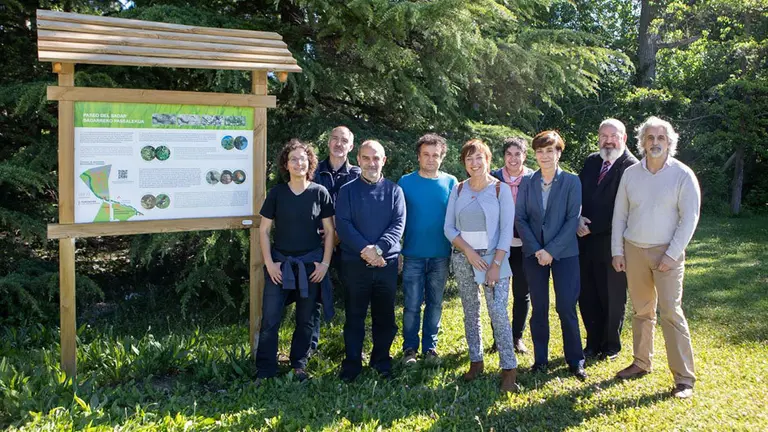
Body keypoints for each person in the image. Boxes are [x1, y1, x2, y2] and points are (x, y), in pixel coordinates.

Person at [612, 116, 700, 399]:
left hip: (667, 253)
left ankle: (684, 379)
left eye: (661, 138)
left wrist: (672, 254)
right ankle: (641, 362)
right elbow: (620, 215)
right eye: (650, 138)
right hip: (634, 249)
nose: (655, 143)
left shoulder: (683, 175)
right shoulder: (631, 174)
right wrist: (617, 250)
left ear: (670, 142)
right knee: (641, 311)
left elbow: (690, 219)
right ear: (641, 143)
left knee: (671, 313)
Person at [256, 139, 335, 382]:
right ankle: (265, 370)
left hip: (311, 266)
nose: (298, 163)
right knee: (270, 318)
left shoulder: (320, 193)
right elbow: (263, 231)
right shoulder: (277, 193)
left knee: (305, 319)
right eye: (293, 159)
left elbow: (330, 232)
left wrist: (324, 264)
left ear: (310, 162)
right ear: (286, 164)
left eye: (303, 158)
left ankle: (299, 365)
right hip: (280, 265)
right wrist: (269, 263)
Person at [444, 139, 519, 393]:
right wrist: (467, 252)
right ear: (464, 163)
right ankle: (476, 361)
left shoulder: (500, 190)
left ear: (488, 160)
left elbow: (507, 231)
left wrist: (495, 263)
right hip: (464, 258)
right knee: (470, 311)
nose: (474, 163)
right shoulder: (458, 189)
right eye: (469, 159)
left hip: (493, 260)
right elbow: (449, 227)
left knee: (497, 311)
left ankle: (509, 368)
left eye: (479, 158)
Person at [516, 130, 586, 380]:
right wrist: (537, 250)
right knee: (539, 307)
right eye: (540, 151)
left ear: (559, 152)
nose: (544, 156)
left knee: (566, 305)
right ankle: (541, 359)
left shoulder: (572, 182)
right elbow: (521, 218)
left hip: (565, 254)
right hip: (534, 255)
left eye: (550, 150)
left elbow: (571, 220)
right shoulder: (527, 182)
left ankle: (575, 359)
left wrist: (551, 251)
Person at [335, 140, 405, 382]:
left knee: (385, 316)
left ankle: (381, 362)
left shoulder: (395, 191)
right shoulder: (347, 191)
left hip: (386, 264)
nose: (371, 163)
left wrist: (378, 249)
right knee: (354, 316)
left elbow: (398, 225)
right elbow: (343, 225)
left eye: (376, 158)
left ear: (384, 160)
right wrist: (366, 250)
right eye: (366, 158)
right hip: (355, 264)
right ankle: (351, 365)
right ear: (359, 160)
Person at [577, 119, 639, 361]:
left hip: (614, 243)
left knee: (612, 295)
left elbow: (626, 210)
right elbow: (579, 195)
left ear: (624, 138)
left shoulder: (632, 167)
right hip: (584, 241)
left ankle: (611, 344)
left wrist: (593, 227)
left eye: (614, 135)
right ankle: (592, 342)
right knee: (587, 293)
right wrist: (577, 218)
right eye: (604, 136)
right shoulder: (592, 161)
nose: (608, 140)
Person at [398, 134, 457, 365]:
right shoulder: (405, 182)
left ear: (442, 157)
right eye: (426, 155)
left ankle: (430, 348)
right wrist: (399, 251)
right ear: (418, 156)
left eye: (435, 155)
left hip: (440, 255)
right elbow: (398, 219)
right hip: (412, 254)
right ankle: (409, 349)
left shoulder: (451, 182)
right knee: (412, 305)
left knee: (435, 304)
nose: (431, 159)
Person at [309, 126, 362, 354]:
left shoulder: (358, 175)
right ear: (328, 142)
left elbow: (362, 211)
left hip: (348, 244)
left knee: (354, 295)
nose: (339, 144)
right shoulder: (313, 171)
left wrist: (340, 234)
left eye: (344, 140)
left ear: (351, 146)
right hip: (315, 243)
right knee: (312, 296)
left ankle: (354, 347)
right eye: (335, 139)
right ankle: (309, 348)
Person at [491, 136, 535, 354]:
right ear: (504, 156)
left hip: (524, 245)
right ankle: (498, 337)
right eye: (509, 154)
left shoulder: (533, 179)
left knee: (521, 292)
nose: (513, 158)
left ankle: (517, 337)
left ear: (524, 156)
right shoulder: (494, 178)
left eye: (518, 154)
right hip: (499, 245)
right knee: (497, 293)